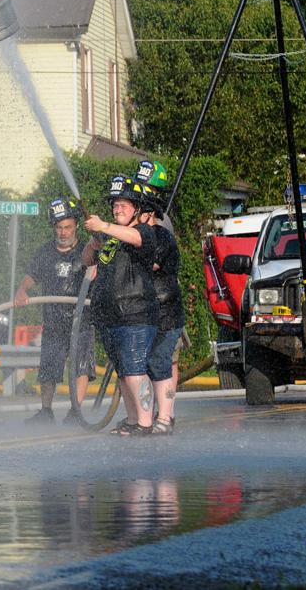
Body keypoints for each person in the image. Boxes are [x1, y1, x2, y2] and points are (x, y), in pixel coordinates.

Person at [83, 176, 158, 437]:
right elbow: (87, 260)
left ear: (137, 208)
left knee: (136, 370)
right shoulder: (111, 236)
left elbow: (135, 238)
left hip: (136, 314)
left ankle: (146, 423)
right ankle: (132, 419)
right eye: (115, 206)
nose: (118, 210)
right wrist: (93, 243)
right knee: (124, 373)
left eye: (124, 206)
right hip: (110, 316)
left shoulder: (145, 232)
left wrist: (104, 225)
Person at [17, 198, 92, 426]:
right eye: (59, 228)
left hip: (82, 319)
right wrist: (22, 290)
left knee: (81, 366)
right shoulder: (45, 253)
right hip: (54, 319)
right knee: (48, 366)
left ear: (76, 226)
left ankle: (75, 412)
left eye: (67, 227)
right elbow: (31, 276)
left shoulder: (86, 251)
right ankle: (46, 411)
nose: (63, 232)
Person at [138, 176, 184, 436]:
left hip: (166, 314)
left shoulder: (161, 237)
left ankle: (165, 416)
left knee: (160, 361)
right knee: (141, 366)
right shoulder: (138, 236)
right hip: (143, 314)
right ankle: (145, 417)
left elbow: (150, 265)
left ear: (150, 214)